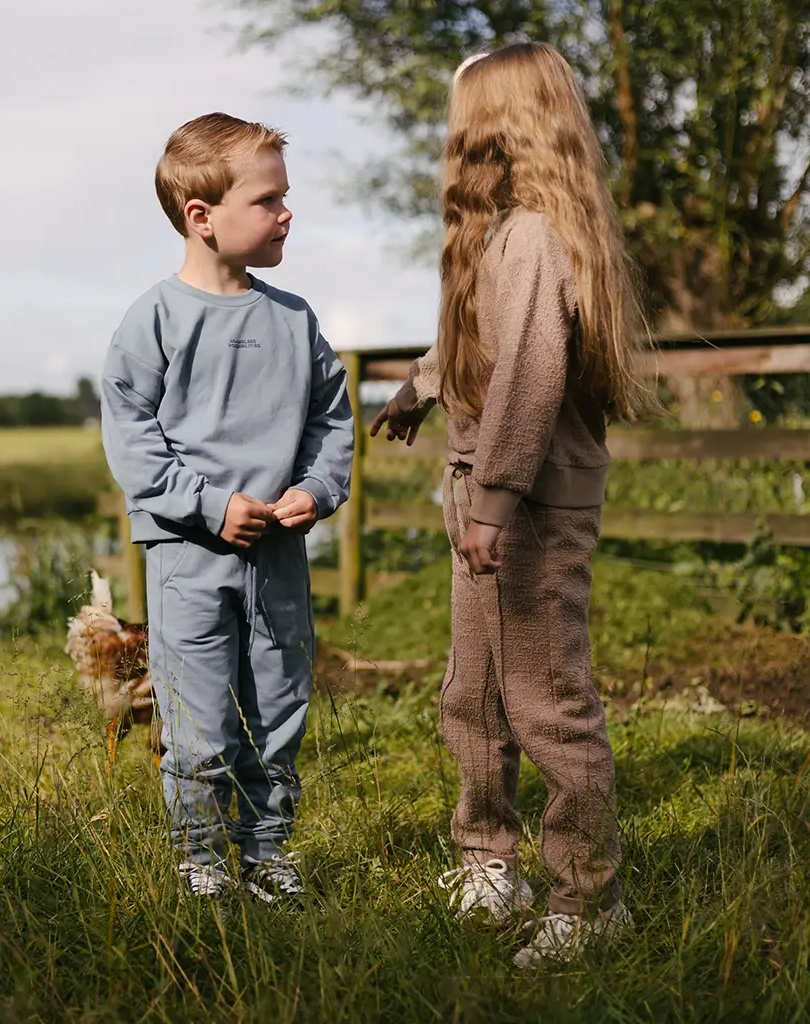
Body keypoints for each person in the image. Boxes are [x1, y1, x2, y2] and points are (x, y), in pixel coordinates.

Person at [371, 42, 648, 967]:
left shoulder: (531, 238)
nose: (449, 134)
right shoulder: (503, 238)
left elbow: (530, 376)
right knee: (473, 695)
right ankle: (491, 860)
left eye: (460, 114)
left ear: (494, 124)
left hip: (525, 510)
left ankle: (589, 897)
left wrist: (490, 500)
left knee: (546, 700)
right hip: (487, 506)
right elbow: (484, 351)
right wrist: (417, 385)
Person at [101, 112, 353, 901]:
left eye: (286, 196)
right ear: (201, 218)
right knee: (199, 720)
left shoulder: (294, 318)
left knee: (278, 707)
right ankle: (202, 861)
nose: (287, 212)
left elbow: (332, 420)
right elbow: (133, 440)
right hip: (187, 560)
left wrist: (314, 490)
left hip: (278, 561)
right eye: (268, 198)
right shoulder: (154, 320)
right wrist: (209, 506)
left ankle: (267, 854)